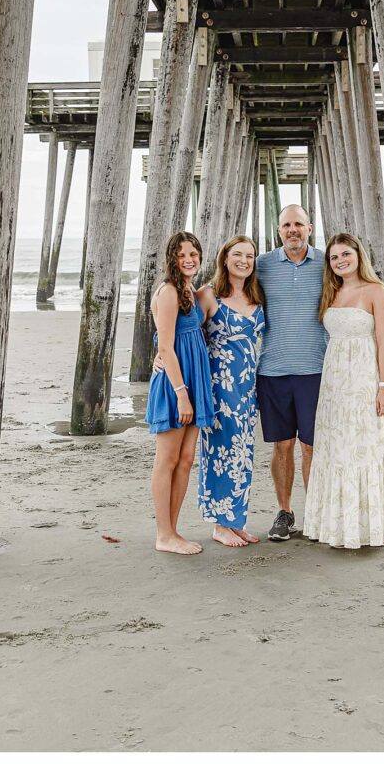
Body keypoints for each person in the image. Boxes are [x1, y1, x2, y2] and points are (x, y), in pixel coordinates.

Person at [303, 233, 384, 549]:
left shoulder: (376, 291)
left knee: (368, 449)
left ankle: (377, 527)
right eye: (334, 257)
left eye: (345, 254)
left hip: (365, 381)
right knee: (337, 450)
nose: (340, 261)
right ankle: (339, 527)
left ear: (358, 255)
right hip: (333, 386)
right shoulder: (331, 292)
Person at [256, 205, 326, 541]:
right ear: (278, 230)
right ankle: (285, 512)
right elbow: (222, 292)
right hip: (272, 371)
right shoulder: (262, 266)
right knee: (282, 445)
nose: (292, 229)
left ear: (310, 228)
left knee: (312, 447)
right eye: (286, 225)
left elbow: (361, 294)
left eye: (299, 224)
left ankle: (314, 511)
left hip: (316, 371)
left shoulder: (328, 264)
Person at [145, 231, 214, 555]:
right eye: (182, 254)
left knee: (186, 460)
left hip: (192, 379)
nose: (189, 259)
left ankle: (173, 530)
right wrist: (182, 394)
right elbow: (166, 347)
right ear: (172, 258)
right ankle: (163, 534)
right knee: (167, 460)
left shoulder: (188, 289)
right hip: (177, 383)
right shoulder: (170, 290)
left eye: (194, 254)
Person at [197, 236, 266, 547]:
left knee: (242, 452)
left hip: (246, 386)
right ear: (224, 258)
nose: (244, 260)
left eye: (250, 256)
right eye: (237, 254)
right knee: (220, 453)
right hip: (218, 386)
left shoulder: (256, 294)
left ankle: (235, 520)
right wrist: (161, 353)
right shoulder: (209, 295)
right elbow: (184, 330)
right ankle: (219, 524)